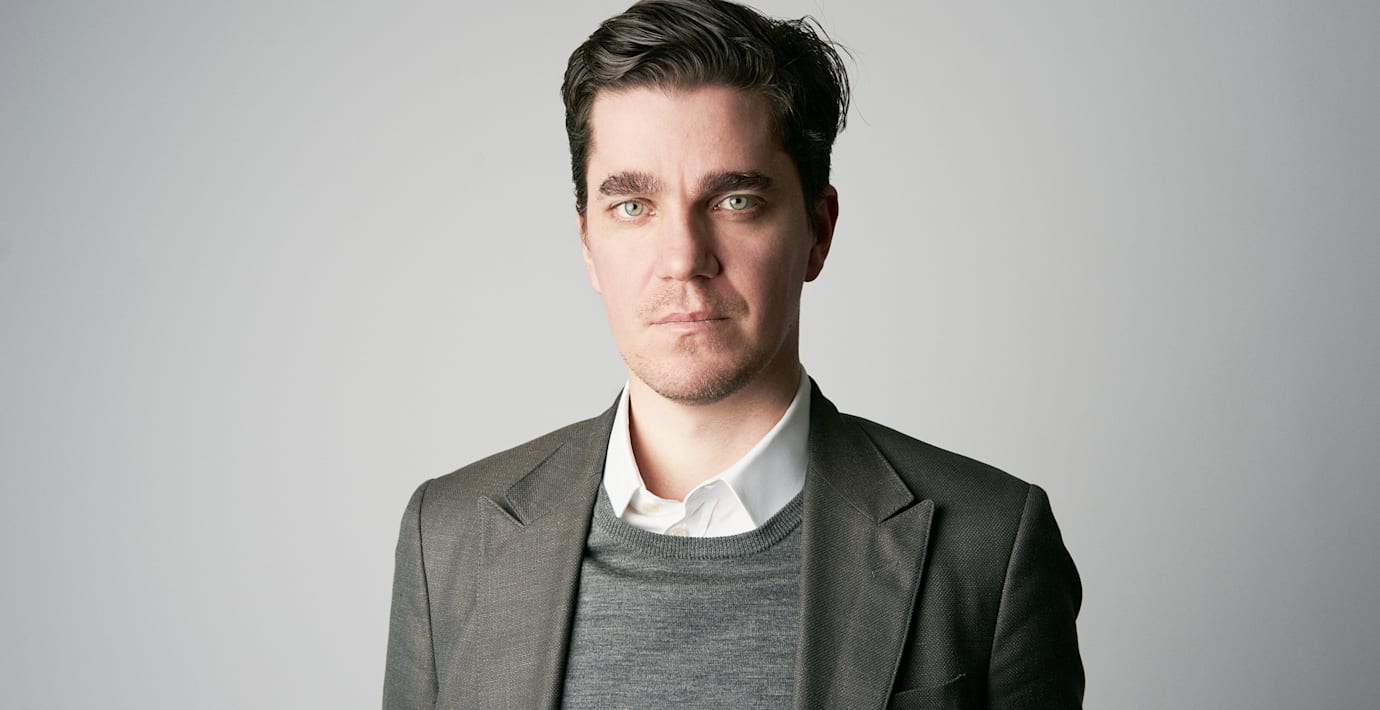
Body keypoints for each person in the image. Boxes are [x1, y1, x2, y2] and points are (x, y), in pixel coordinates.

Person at [383, 1, 1083, 707]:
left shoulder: (989, 543)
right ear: (587, 243)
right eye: (633, 206)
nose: (683, 258)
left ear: (817, 231)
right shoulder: (447, 537)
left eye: (735, 200)